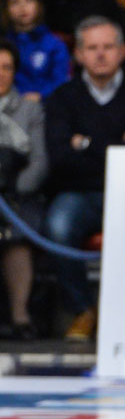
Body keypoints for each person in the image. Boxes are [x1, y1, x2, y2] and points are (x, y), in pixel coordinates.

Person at [44, 16, 125, 341]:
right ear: (78, 54)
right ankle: (82, 310)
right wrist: (119, 145)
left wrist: (85, 143)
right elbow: (60, 160)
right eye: (92, 47)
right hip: (79, 193)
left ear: (123, 51)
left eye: (108, 47)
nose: (100, 54)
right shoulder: (62, 97)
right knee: (58, 226)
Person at [0, 39, 47, 341]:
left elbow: (39, 162)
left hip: (17, 194)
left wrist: (14, 190)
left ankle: (20, 316)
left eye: (6, 67)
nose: (0, 73)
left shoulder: (30, 109)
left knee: (17, 235)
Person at [3, 0, 71, 101]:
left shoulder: (54, 44)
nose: (22, 7)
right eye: (15, 2)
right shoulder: (4, 46)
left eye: (29, 0)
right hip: (9, 104)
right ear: (6, 9)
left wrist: (41, 95)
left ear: (38, 5)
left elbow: (61, 80)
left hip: (48, 104)